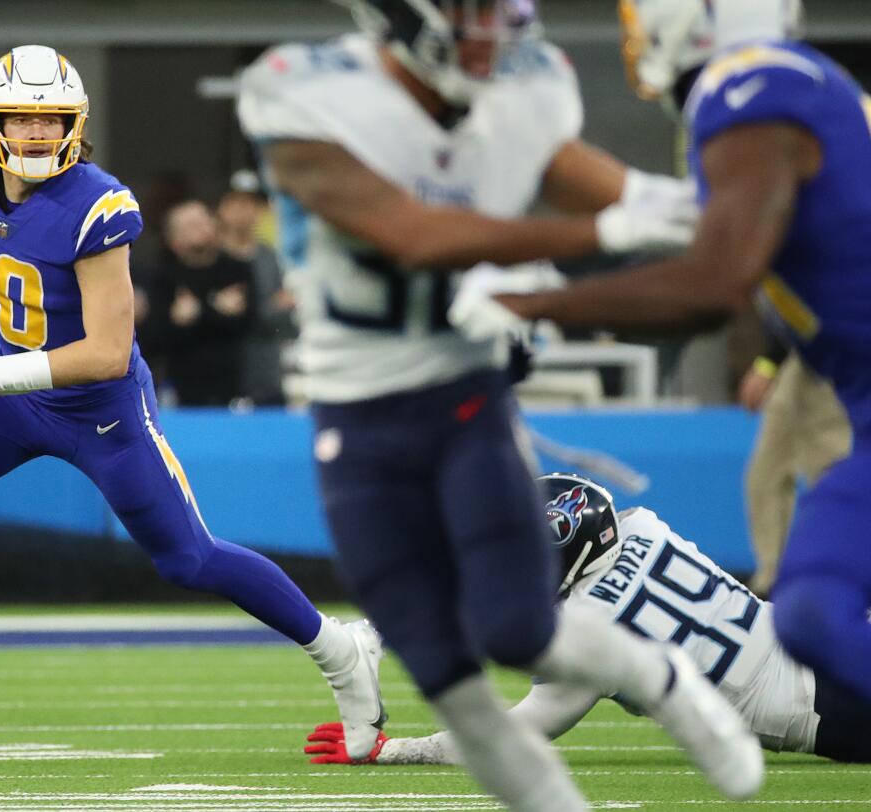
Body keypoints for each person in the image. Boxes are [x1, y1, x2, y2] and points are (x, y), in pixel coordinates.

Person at [237, 1, 762, 808]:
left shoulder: (527, 82)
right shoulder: (302, 92)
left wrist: (655, 198)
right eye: (470, 11)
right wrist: (614, 225)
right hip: (359, 414)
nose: (492, 32)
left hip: (465, 398)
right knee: (451, 682)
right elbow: (411, 233)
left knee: (522, 630)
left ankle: (666, 680)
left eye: (498, 10)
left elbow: (560, 164)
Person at [0, 46, 384, 752]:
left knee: (188, 560)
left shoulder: (97, 206)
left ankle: (340, 649)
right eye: (23, 119)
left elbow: (107, 352)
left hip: (99, 410)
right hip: (16, 391)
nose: (39, 134)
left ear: (75, 124)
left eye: (52, 120)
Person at [487, 0, 871, 709]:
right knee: (812, 615)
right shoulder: (777, 92)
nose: (636, 30)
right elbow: (658, 213)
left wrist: (532, 305)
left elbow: (711, 287)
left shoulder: (751, 89)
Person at [305, 473, 871, 766]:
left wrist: (394, 750)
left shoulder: (586, 638)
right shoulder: (644, 525)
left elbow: (507, 738)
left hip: (823, 710)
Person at [739, 343, 850, 597]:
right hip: (796, 357)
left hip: (829, 352)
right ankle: (773, 582)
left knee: (832, 478)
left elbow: (804, 307)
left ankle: (847, 579)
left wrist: (768, 363)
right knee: (764, 476)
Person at [144, 199, 256, 406]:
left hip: (234, 385)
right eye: (191, 226)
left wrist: (197, 314)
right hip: (182, 388)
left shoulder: (236, 269)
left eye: (205, 221)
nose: (202, 229)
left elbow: (247, 323)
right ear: (173, 239)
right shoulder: (162, 276)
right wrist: (217, 310)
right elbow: (155, 336)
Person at [217, 175, 294, 405]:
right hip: (221, 372)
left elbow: (288, 313)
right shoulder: (211, 257)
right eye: (236, 202)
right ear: (222, 208)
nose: (244, 211)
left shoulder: (271, 257)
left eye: (251, 203)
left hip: (266, 371)